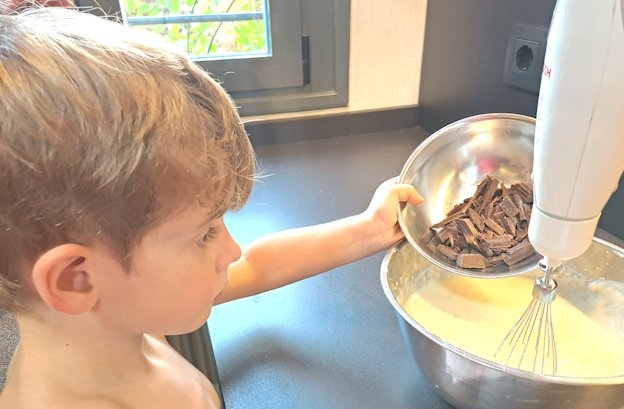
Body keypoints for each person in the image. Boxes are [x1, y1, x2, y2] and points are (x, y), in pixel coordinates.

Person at [0, 7, 423, 409]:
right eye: (205, 235)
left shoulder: (121, 314)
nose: (232, 251)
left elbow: (259, 266)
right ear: (75, 279)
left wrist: (370, 228)